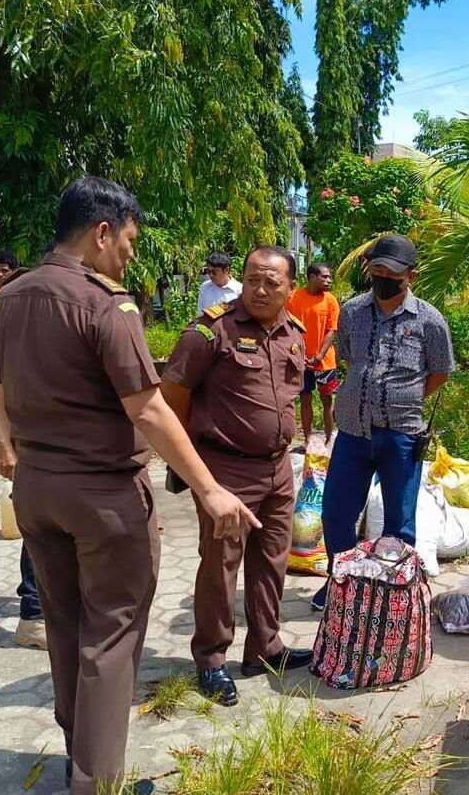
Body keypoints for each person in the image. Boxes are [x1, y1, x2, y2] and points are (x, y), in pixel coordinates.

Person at [0, 176, 258, 795]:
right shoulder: (107, 303)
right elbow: (151, 410)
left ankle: (81, 756)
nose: (131, 254)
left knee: (64, 625)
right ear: (102, 232)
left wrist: (5, 443)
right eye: (129, 241)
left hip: (37, 490)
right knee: (111, 636)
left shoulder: (8, 297)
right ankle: (97, 783)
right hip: (102, 497)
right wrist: (210, 490)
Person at [161, 245, 312, 707]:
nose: (260, 289)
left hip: (278, 469)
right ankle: (210, 659)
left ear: (291, 287)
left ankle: (264, 648)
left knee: (273, 561)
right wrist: (195, 466)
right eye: (252, 279)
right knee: (221, 566)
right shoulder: (211, 332)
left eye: (272, 282)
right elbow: (172, 397)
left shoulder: (294, 332)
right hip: (226, 470)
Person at [312, 234, 454, 611]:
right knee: (336, 513)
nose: (382, 277)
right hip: (353, 432)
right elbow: (345, 357)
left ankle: (393, 594)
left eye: (391, 272)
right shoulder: (353, 312)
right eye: (376, 270)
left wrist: (404, 396)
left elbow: (440, 372)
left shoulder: (429, 320)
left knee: (399, 522)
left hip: (401, 435)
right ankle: (340, 582)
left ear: (410, 276)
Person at [0, 249, 46, 650]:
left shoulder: (45, 330)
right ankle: (33, 617)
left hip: (59, 448)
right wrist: (3, 446)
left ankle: (52, 607)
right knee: (36, 530)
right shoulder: (2, 330)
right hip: (29, 446)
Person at [287, 262, 341, 445]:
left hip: (325, 362)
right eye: (324, 276)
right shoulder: (294, 297)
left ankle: (329, 440)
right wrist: (298, 354)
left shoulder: (330, 300)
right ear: (311, 277)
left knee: (327, 400)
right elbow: (289, 326)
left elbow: (331, 330)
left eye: (329, 277)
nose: (328, 280)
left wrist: (319, 355)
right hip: (300, 360)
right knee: (305, 399)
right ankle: (307, 441)